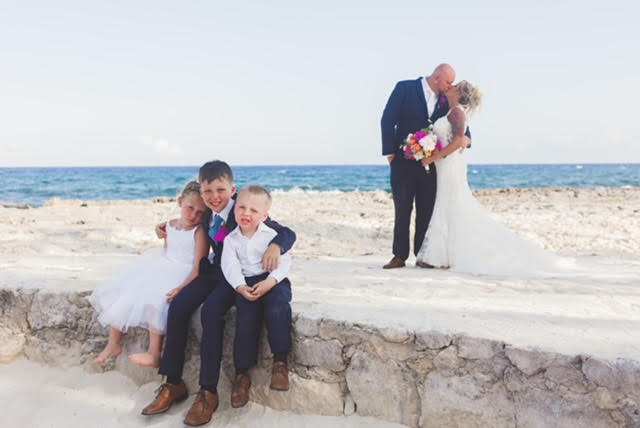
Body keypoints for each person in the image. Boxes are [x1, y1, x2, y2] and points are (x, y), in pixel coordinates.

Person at [141, 160, 296, 427]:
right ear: (201, 191)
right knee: (178, 307)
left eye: (220, 191)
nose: (214, 197)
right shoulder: (208, 209)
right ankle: (172, 382)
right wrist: (163, 226)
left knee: (212, 312)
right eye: (208, 191)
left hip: (235, 275)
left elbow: (286, 232)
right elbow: (187, 217)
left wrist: (276, 247)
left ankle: (208, 392)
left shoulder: (242, 208)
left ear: (231, 189)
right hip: (214, 270)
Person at [416, 81, 571, 276]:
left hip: (450, 165)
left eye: (455, 85)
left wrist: (434, 157)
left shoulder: (457, 113)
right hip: (445, 165)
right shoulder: (452, 111)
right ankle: (440, 255)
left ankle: (440, 256)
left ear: (459, 93)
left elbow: (457, 140)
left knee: (452, 201)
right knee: (446, 202)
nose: (451, 86)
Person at [89, 181, 208, 367]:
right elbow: (167, 252)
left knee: (157, 299)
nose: (194, 215)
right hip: (163, 266)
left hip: (184, 273)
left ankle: (154, 353)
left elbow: (198, 267)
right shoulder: (168, 226)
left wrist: (181, 288)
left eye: (200, 212)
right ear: (180, 202)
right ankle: (113, 344)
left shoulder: (199, 232)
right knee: (127, 290)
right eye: (190, 208)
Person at [381, 64, 471, 270]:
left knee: (427, 209)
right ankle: (399, 255)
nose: (451, 86)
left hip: (433, 165)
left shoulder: (447, 99)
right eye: (449, 82)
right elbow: (387, 119)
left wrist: (466, 140)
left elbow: (463, 128)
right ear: (437, 77)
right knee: (402, 208)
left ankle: (423, 255)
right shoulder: (405, 88)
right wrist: (390, 154)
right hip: (403, 160)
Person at [221, 185, 293, 409]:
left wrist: (270, 282)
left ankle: (280, 362)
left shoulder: (271, 236)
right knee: (246, 320)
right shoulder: (231, 239)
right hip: (246, 284)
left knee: (277, 309)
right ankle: (242, 375)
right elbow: (229, 266)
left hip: (273, 279)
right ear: (234, 211)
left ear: (265, 215)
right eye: (241, 207)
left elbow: (286, 262)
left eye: (253, 210)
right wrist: (241, 287)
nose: (246, 213)